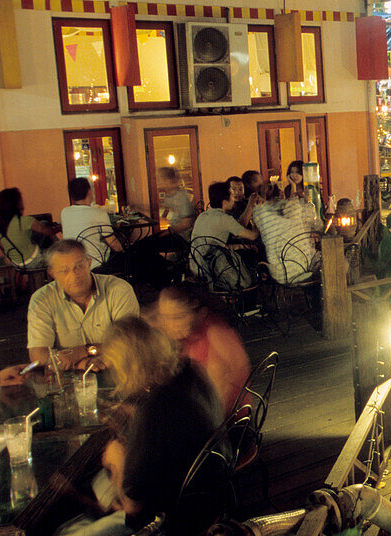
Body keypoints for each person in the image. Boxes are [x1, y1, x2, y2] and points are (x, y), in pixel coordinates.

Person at [96, 316, 226, 536]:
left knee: (80, 515)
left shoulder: (153, 409)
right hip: (212, 487)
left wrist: (118, 461)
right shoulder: (189, 370)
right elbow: (171, 422)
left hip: (175, 518)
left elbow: (133, 508)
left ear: (128, 366)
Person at [27, 240, 140, 371]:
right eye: (64, 271)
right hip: (70, 378)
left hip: (119, 371)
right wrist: (82, 363)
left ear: (89, 263)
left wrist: (83, 351)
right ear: (52, 274)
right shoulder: (42, 299)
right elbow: (38, 356)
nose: (74, 276)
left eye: (79, 266)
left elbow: (130, 343)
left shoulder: (118, 289)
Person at [155, 284, 250, 416]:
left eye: (178, 317)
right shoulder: (186, 338)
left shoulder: (215, 336)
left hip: (227, 425)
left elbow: (217, 406)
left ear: (200, 313)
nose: (169, 325)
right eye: (164, 317)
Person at [190, 182, 259, 288]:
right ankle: (249, 291)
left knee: (246, 251)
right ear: (224, 201)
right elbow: (252, 236)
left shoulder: (202, 216)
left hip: (197, 266)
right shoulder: (225, 219)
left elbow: (217, 246)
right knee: (252, 259)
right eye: (231, 196)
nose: (234, 199)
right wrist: (257, 222)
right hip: (216, 271)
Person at [252, 185, 321, 285]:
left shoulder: (261, 215)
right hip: (306, 269)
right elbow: (317, 224)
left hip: (281, 274)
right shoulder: (295, 210)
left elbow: (255, 231)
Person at [61, 177, 125, 272]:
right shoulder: (98, 213)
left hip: (73, 265)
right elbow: (114, 245)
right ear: (89, 192)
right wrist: (124, 252)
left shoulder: (64, 212)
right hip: (98, 266)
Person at [0, 187, 55, 267]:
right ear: (16, 203)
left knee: (41, 226)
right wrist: (59, 227)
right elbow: (49, 231)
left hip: (16, 263)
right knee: (46, 228)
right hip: (34, 260)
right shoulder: (24, 221)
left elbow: (2, 246)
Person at [156, 167, 195, 243]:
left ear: (167, 181)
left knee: (146, 245)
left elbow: (186, 224)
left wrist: (168, 232)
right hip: (174, 233)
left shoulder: (181, 197)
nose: (157, 182)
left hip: (181, 237)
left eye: (159, 179)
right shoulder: (170, 196)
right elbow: (166, 209)